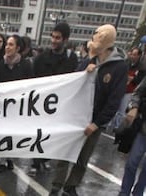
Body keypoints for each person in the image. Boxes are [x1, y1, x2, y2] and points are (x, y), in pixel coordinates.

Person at [49, 24, 128, 196]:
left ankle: (71, 186)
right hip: (76, 117)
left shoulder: (119, 67)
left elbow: (114, 100)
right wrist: (85, 69)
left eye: (98, 35)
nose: (94, 37)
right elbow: (74, 83)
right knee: (65, 153)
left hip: (94, 121)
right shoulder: (89, 60)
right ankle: (56, 185)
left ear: (107, 39)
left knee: (83, 158)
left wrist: (97, 123)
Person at [32, 22, 78, 176]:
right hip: (41, 104)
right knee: (38, 132)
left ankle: (44, 159)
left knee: (52, 134)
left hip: (60, 105)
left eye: (57, 38)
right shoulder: (41, 58)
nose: (53, 40)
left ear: (65, 40)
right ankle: (36, 161)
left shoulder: (71, 60)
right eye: (52, 36)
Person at [0, 35, 34, 172]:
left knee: (13, 134)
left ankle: (10, 158)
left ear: (18, 48)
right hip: (2, 107)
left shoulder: (26, 65)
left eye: (11, 45)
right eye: (7, 44)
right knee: (3, 133)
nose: (7, 47)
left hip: (17, 107)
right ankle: (3, 160)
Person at [119, 76, 146, 196]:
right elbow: (137, 93)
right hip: (143, 130)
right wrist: (134, 107)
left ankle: (138, 193)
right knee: (131, 163)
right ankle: (124, 192)